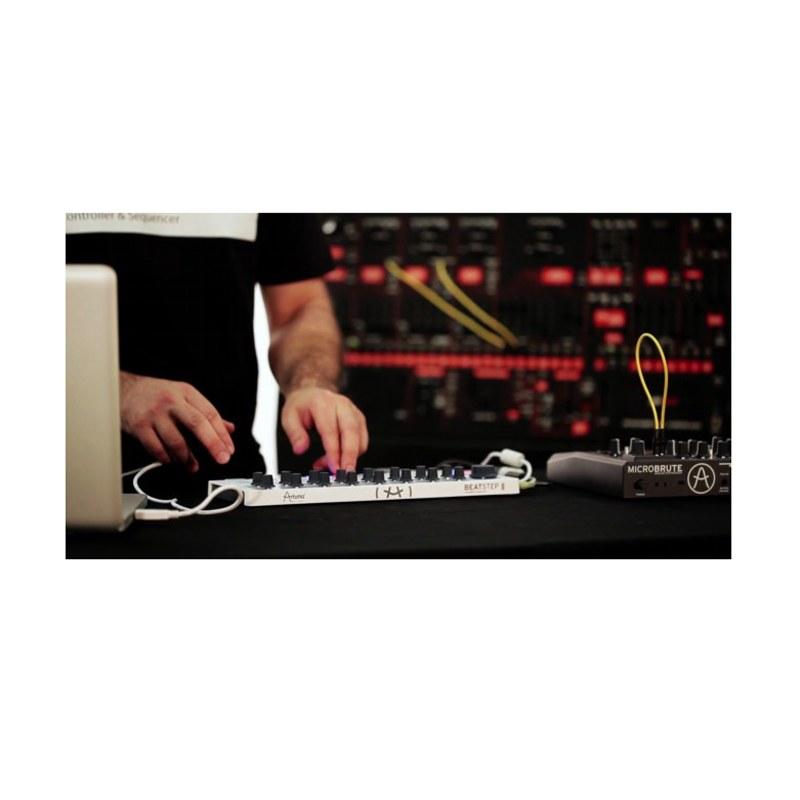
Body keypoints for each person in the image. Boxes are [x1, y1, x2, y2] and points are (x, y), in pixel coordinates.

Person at [66, 213, 368, 479]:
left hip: (226, 487)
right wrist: (116, 391)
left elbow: (298, 308)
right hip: (76, 484)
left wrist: (309, 383)